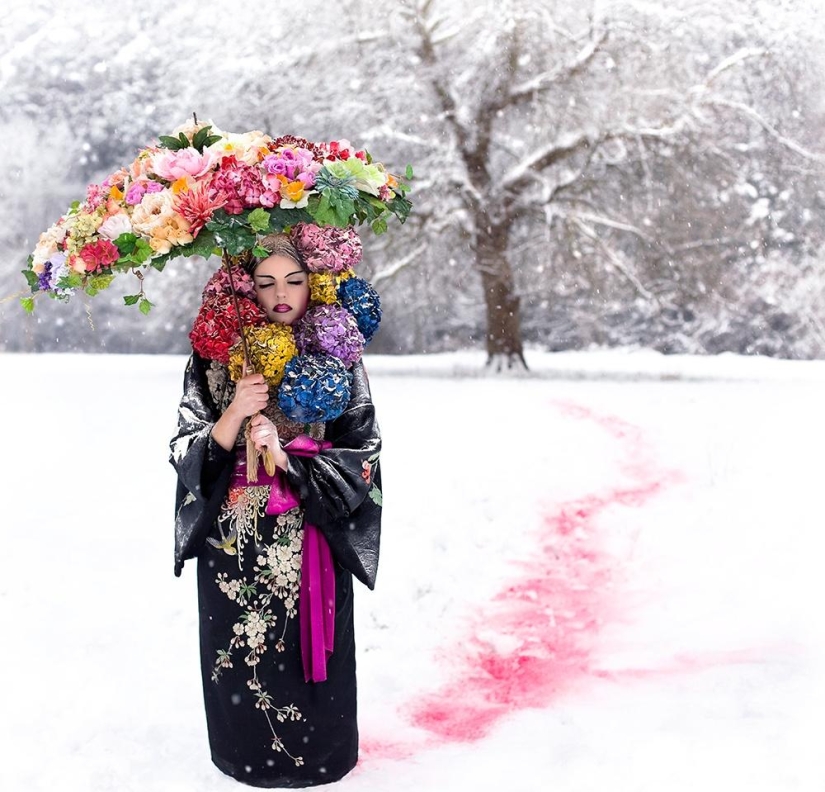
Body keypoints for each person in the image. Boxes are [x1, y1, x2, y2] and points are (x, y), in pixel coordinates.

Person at [169, 233, 382, 788]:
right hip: (232, 536)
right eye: (266, 283)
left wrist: (288, 460)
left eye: (294, 280)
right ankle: (242, 755)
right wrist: (235, 411)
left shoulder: (338, 355)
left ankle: (321, 758)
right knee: (240, 648)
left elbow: (362, 453)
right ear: (247, 289)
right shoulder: (215, 354)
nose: (281, 294)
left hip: (309, 526)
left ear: (316, 283)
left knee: (308, 650)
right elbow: (184, 448)